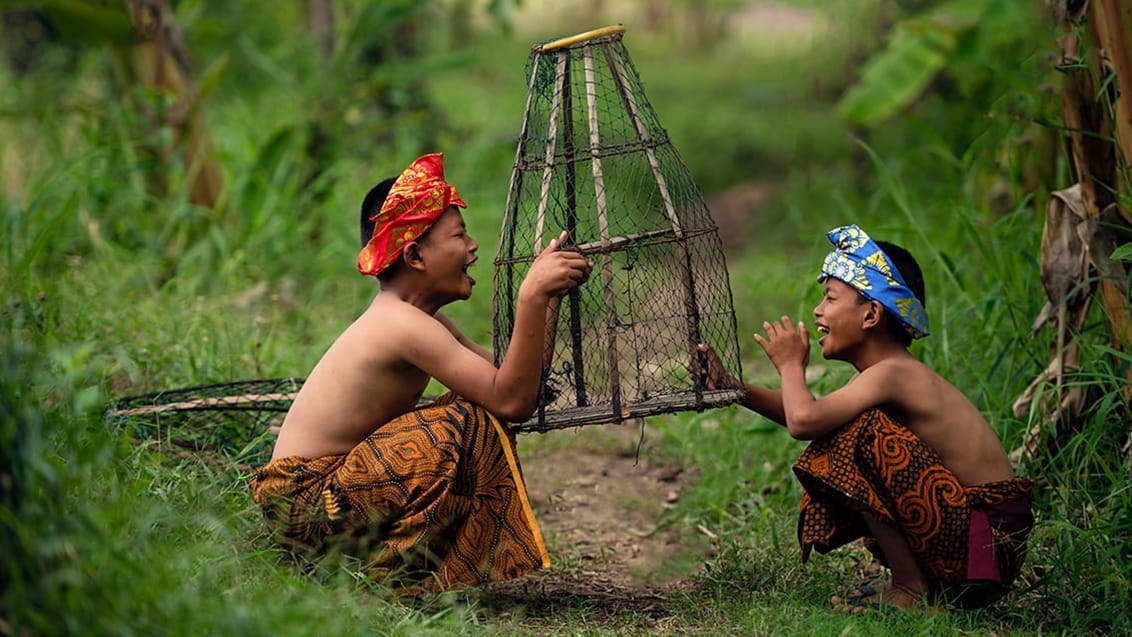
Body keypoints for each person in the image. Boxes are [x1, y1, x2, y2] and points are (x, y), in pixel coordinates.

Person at [250, 153, 592, 593]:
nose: (473, 248)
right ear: (414, 254)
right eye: (459, 235)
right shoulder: (401, 325)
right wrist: (529, 296)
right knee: (463, 422)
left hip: (328, 494)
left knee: (474, 413)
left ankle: (371, 572)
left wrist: (549, 297)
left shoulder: (417, 321)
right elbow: (512, 400)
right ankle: (373, 581)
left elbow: (515, 380)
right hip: (305, 499)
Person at [698, 224, 1034, 611]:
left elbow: (804, 421)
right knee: (848, 428)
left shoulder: (895, 374)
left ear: (872, 313)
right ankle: (918, 584)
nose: (818, 311)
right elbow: (812, 415)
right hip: (976, 550)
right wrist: (731, 386)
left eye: (830, 298)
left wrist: (791, 366)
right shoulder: (888, 375)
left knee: (856, 433)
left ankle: (910, 590)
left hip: (985, 546)